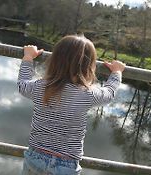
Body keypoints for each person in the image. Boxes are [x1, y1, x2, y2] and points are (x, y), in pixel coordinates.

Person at [18, 35, 125, 175]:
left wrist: (28, 57)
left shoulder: (40, 87)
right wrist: (117, 72)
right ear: (89, 66)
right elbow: (110, 92)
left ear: (55, 60)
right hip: (66, 165)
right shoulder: (88, 94)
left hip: (35, 156)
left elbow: (22, 85)